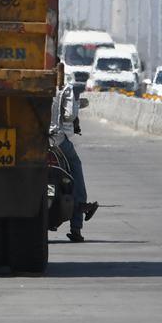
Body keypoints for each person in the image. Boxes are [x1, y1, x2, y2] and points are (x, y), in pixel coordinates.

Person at [53, 83, 98, 243]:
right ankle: (76, 228)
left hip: (25, 141)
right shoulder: (63, 89)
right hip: (55, 140)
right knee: (75, 167)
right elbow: (69, 115)